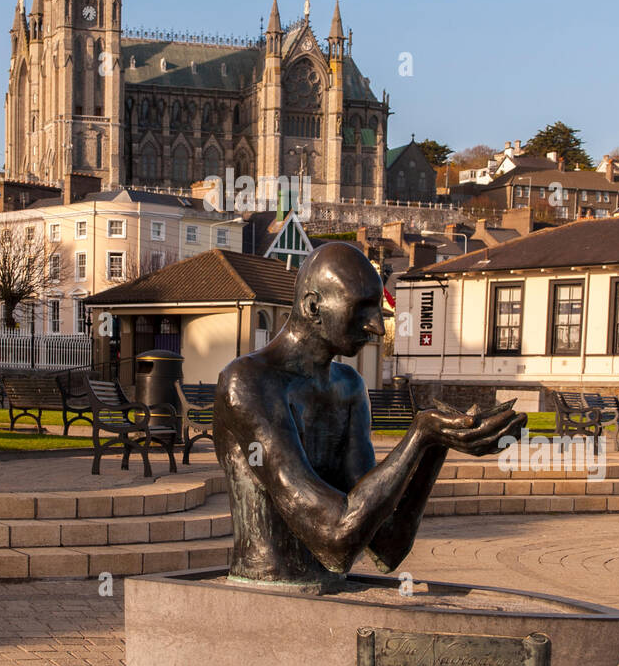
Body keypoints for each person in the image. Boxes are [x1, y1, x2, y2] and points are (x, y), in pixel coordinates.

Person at [214, 242, 524, 590]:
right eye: (361, 309)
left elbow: (387, 544)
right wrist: (420, 434)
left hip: (329, 590)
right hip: (266, 595)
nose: (377, 326)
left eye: (376, 308)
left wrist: (437, 441)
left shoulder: (349, 386)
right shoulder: (249, 382)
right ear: (313, 306)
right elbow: (333, 539)